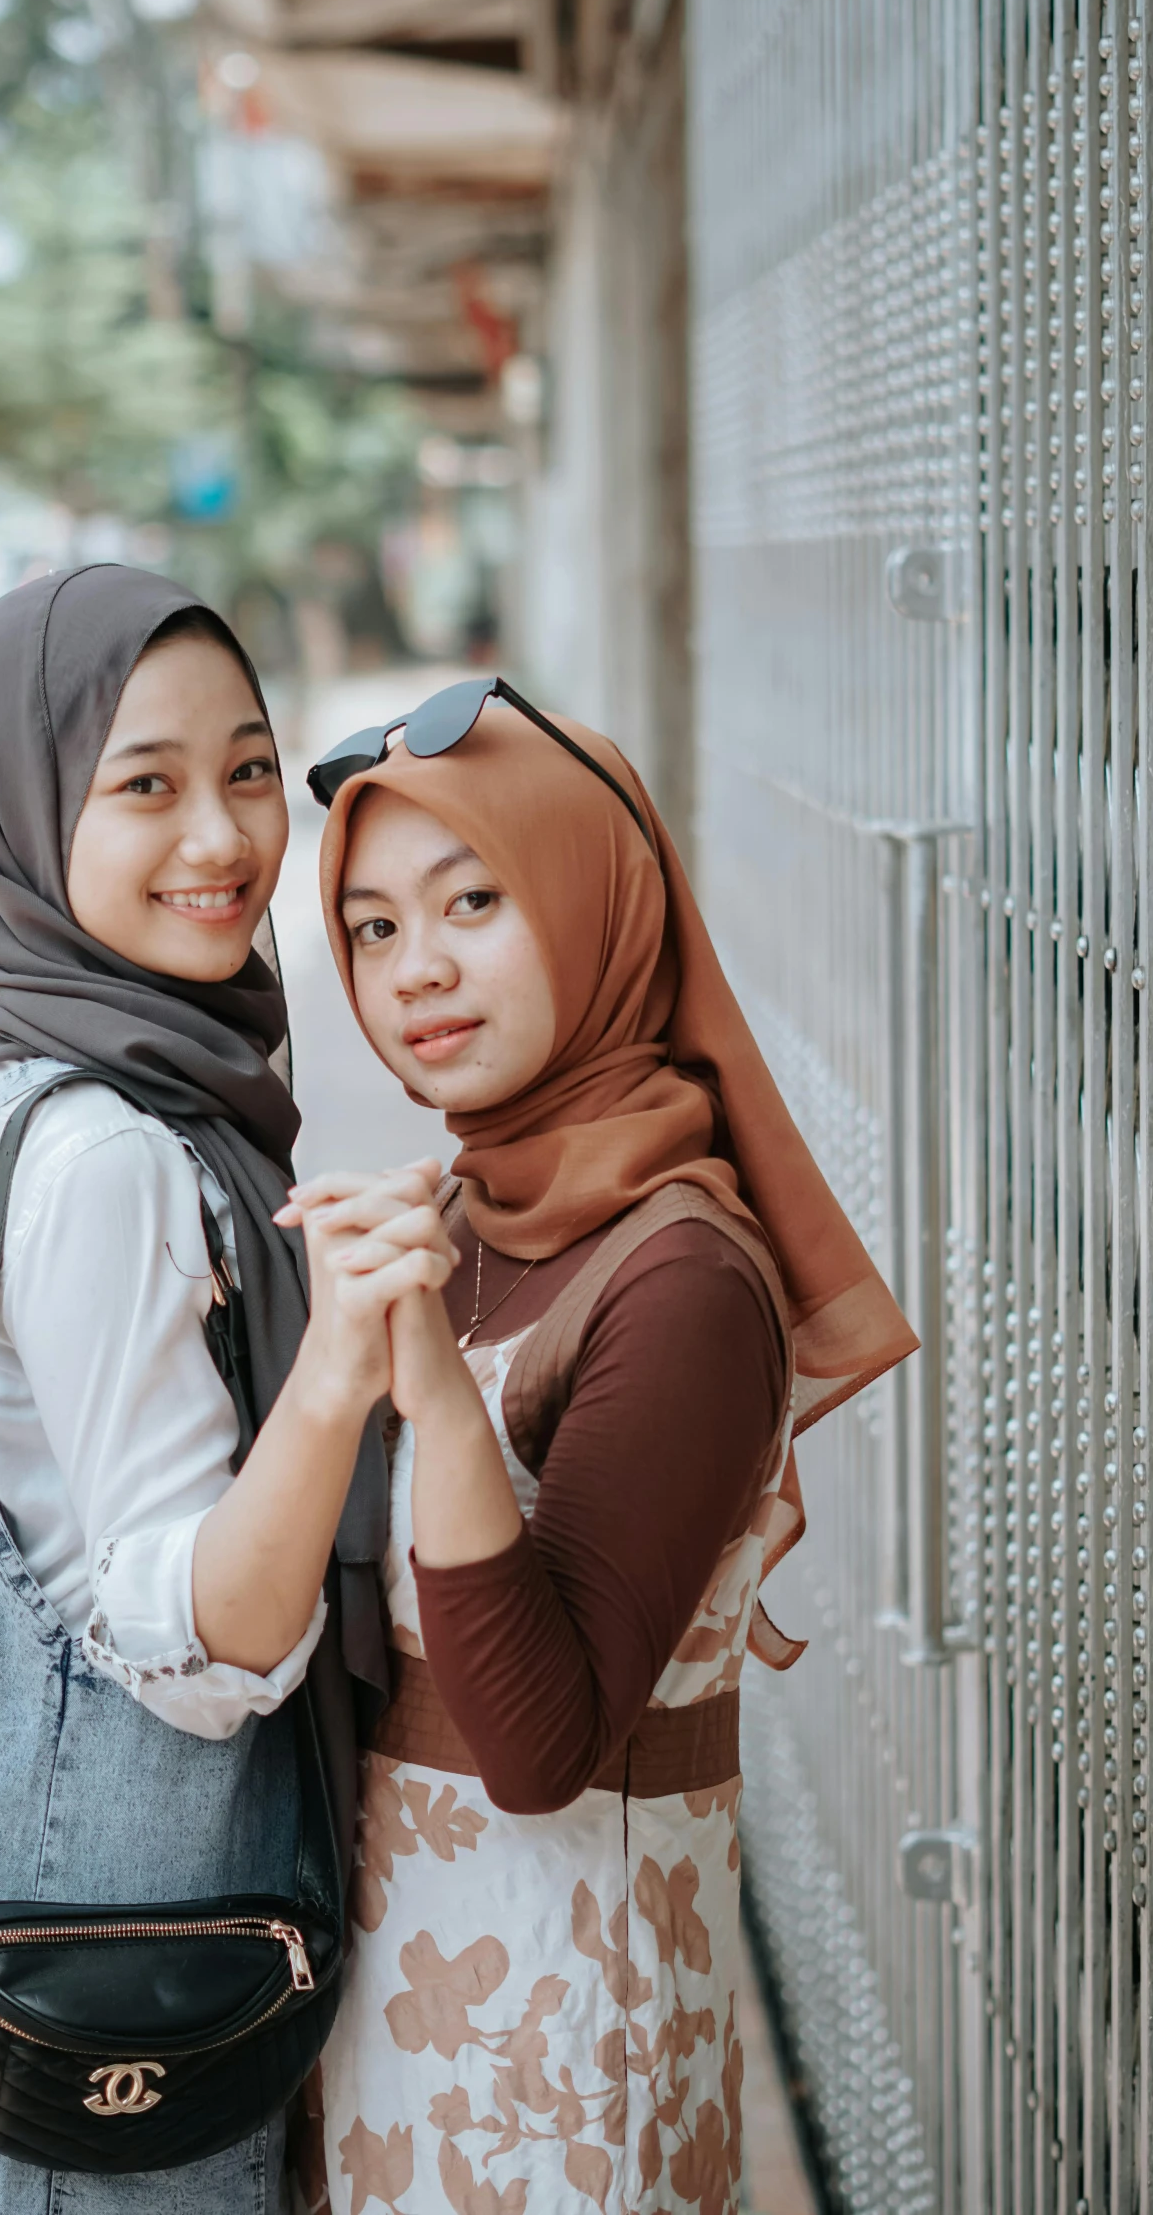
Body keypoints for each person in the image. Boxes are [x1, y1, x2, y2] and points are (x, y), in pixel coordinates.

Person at [0, 565, 449, 2215]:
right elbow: (190, 1646)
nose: (221, 838)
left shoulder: (54, 1087)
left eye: (245, 768)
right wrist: (338, 1372)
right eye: (142, 785)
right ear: (23, 813)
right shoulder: (106, 1156)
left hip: (42, 1956)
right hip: (109, 2011)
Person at [282, 685, 916, 2215]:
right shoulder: (455, 1213)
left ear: (593, 896)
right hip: (412, 1989)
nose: (414, 967)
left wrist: (431, 1394)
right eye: (369, 928)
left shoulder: (683, 1279)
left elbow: (542, 1742)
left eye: (472, 900)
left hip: (567, 2044)